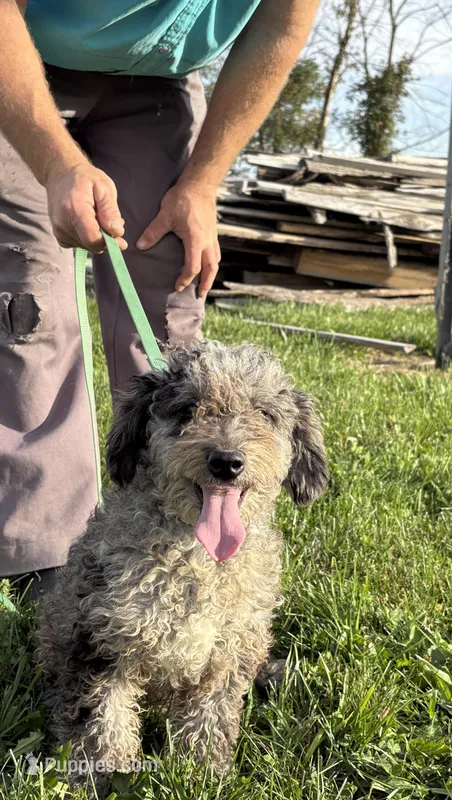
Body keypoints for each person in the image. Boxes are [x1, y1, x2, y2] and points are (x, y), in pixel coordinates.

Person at [0, 0, 321, 595]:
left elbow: (281, 24)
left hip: (154, 85)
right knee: (28, 307)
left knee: (170, 309)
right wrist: (56, 163)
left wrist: (201, 183)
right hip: (18, 55)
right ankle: (41, 555)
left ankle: (179, 520)